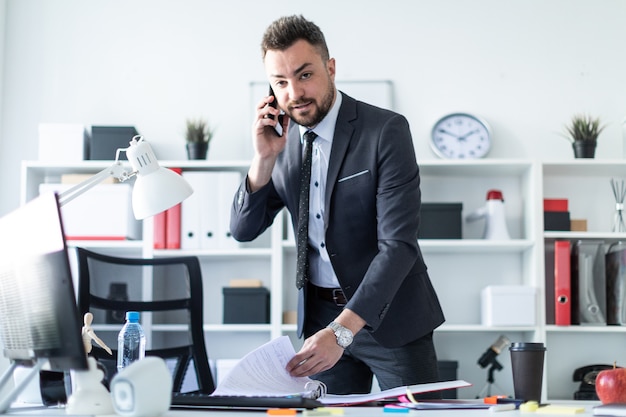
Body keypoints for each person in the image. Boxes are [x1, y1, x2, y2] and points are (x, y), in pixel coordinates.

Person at [230, 15, 445, 396]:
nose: (293, 92)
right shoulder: (282, 144)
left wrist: (341, 331)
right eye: (280, 82)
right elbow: (244, 231)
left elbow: (398, 247)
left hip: (390, 317)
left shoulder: (385, 132)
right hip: (320, 319)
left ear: (330, 68)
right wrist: (262, 160)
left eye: (305, 75)